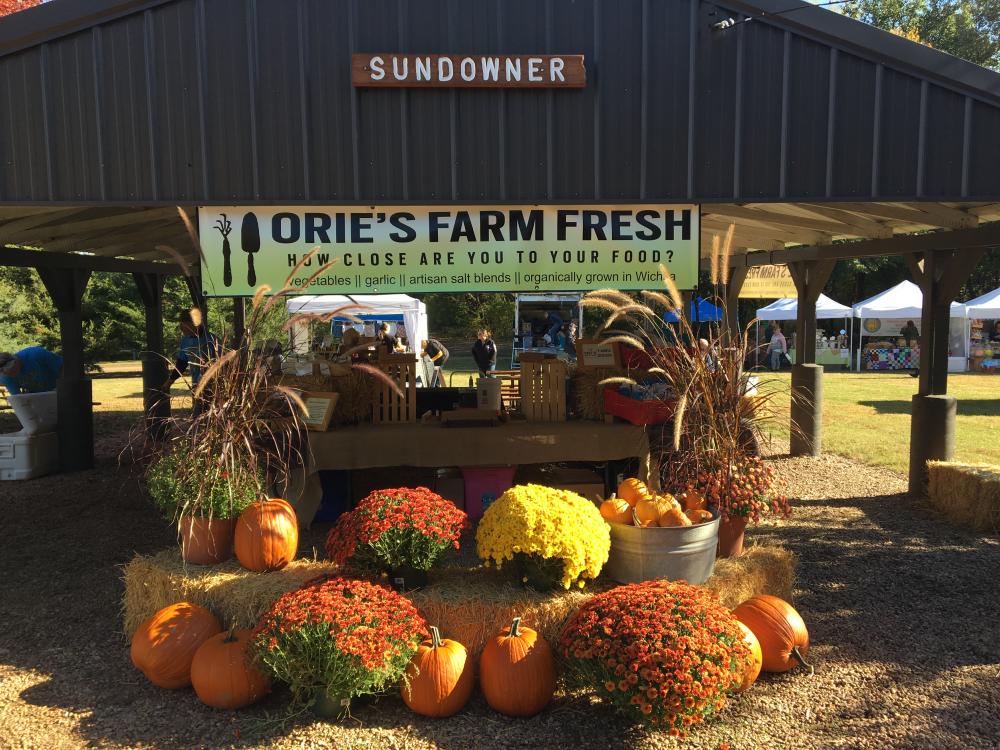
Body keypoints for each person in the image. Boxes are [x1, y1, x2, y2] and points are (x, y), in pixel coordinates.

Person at [165, 308, 220, 389]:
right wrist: (169, 382)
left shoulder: (212, 339)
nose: (181, 328)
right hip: (196, 386)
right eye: (181, 324)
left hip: (215, 387)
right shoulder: (185, 340)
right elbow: (181, 364)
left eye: (184, 324)